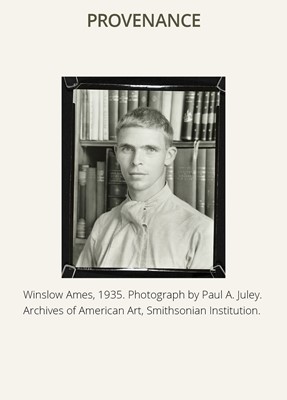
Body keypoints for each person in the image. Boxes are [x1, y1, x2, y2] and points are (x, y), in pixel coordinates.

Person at [76, 107, 213, 269]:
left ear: (169, 156)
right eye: (127, 149)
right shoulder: (102, 225)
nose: (136, 161)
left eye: (150, 149)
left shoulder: (202, 230)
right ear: (116, 153)